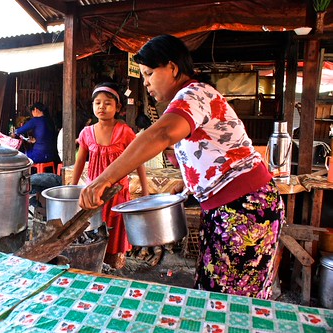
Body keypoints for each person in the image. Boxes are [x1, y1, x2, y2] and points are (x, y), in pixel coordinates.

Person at [78, 35, 285, 299]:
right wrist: (189, 184)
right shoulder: (189, 99)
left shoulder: (194, 93)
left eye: (150, 73)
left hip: (244, 207)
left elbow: (161, 134)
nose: (146, 82)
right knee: (215, 290)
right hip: (227, 207)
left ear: (173, 68)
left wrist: (103, 179)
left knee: (230, 299)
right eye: (143, 75)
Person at [71, 82, 149, 269]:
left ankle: (113, 265)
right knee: (93, 231)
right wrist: (73, 188)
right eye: (97, 103)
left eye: (107, 103)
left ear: (118, 108)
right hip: (93, 194)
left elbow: (138, 160)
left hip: (117, 194)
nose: (101, 107)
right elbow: (80, 162)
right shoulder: (86, 133)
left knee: (114, 233)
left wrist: (145, 191)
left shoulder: (125, 132)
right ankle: (96, 263)